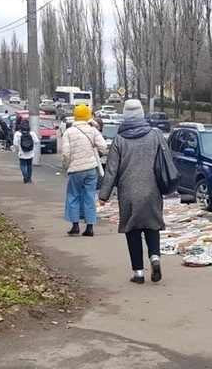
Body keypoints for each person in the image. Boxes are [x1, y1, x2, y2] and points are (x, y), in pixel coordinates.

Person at [99, 99, 166, 285]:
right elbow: (166, 160)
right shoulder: (155, 135)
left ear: (125, 115)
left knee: (132, 229)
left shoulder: (120, 139)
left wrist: (104, 195)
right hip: (152, 189)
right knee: (152, 225)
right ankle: (155, 258)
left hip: (128, 192)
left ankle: (138, 273)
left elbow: (111, 170)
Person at [62, 104, 107, 237]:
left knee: (73, 195)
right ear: (88, 115)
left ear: (75, 116)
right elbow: (103, 146)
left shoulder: (69, 132)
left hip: (75, 169)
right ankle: (90, 227)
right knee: (89, 196)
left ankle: (75, 225)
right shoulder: (92, 130)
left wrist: (67, 165)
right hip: (91, 169)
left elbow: (65, 153)